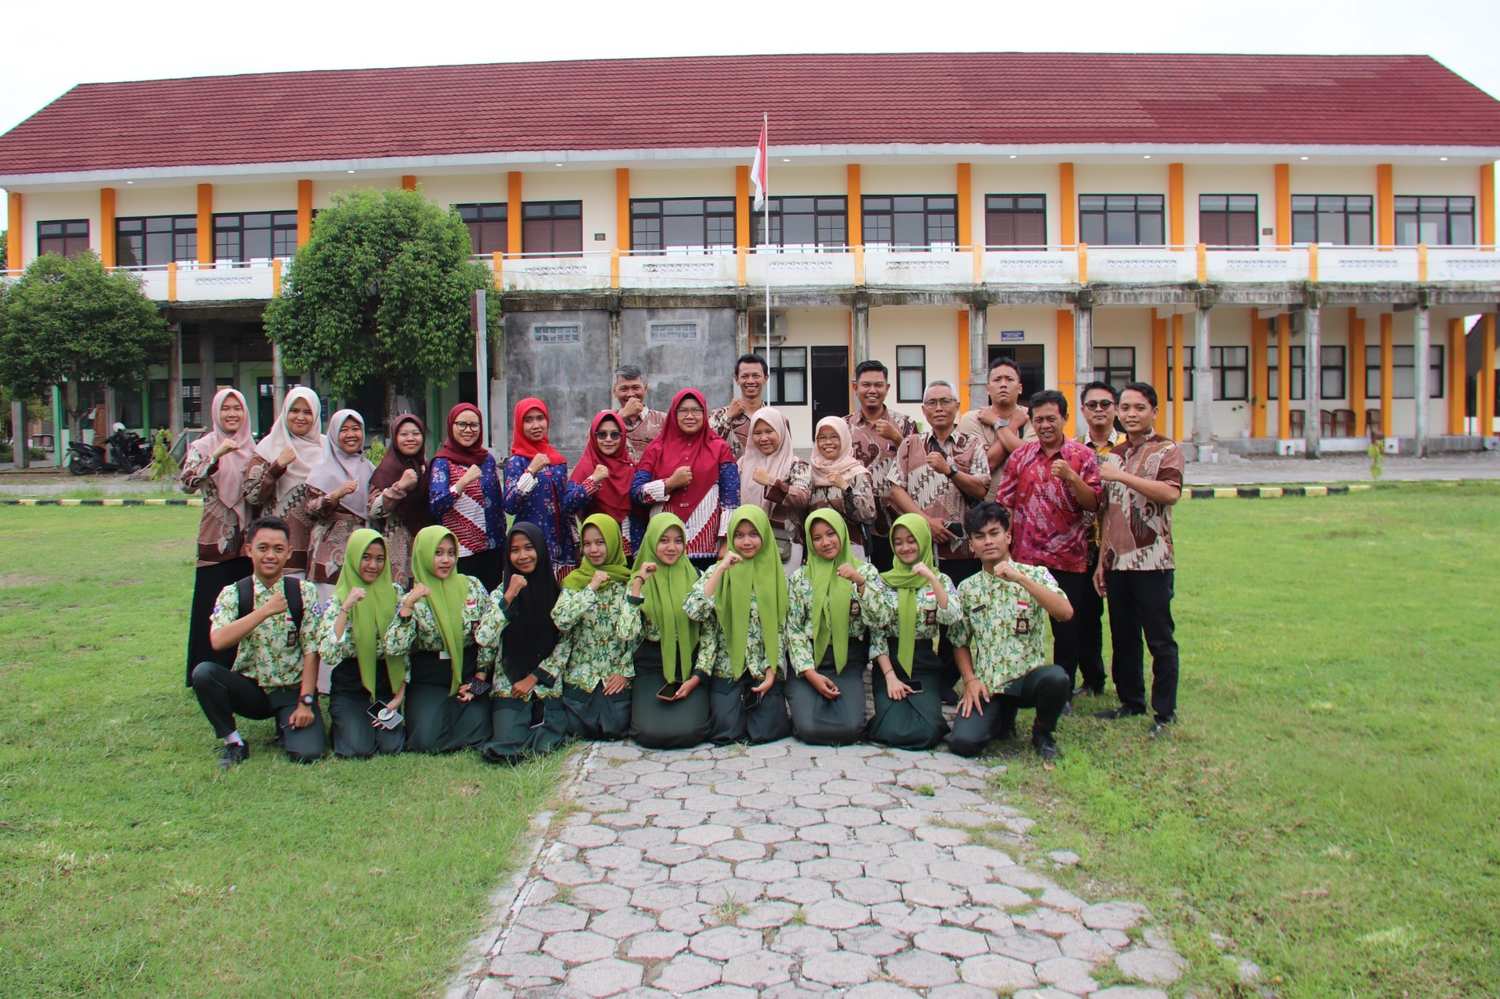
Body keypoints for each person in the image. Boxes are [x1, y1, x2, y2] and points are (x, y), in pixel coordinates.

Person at [190, 516, 326, 768]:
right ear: (248, 550)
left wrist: (306, 702)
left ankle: (286, 725)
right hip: (250, 689)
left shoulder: (303, 591)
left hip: (290, 690)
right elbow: (218, 641)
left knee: (308, 754)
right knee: (204, 673)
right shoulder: (233, 592)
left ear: (288, 553)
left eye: (278, 549)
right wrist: (263, 611)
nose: (270, 556)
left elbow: (311, 649)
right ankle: (234, 742)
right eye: (263, 548)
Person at [995, 389, 1102, 702]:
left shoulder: (1082, 457)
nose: (1044, 425)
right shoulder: (1021, 456)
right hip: (1026, 558)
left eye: (1051, 419)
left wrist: (1071, 477)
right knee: (1020, 623)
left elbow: (1093, 503)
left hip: (1068, 558)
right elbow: (1005, 503)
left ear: (1065, 419)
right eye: (1038, 419)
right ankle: (1016, 685)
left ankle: (1063, 691)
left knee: (1067, 628)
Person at [949, 503, 1074, 761]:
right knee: (963, 743)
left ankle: (1042, 733)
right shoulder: (968, 589)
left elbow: (1065, 613)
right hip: (990, 684)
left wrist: (1021, 580)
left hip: (1028, 678)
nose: (988, 542)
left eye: (994, 533)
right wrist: (970, 680)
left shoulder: (1035, 575)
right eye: (980, 536)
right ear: (971, 545)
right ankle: (1002, 720)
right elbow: (959, 641)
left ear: (1008, 536)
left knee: (1057, 678)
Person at [1093, 382, 1184, 736]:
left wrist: (1122, 476)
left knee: (1159, 637)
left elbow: (1170, 493)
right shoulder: (1113, 453)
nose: (1131, 414)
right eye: (1125, 408)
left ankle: (1164, 711)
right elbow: (1109, 512)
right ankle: (1130, 701)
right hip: (1118, 563)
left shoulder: (1166, 450)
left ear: (1154, 412)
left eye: (1139, 408)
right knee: (1123, 635)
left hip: (1153, 561)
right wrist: (1102, 560)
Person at [684, 506, 792, 744]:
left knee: (766, 732)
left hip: (762, 668)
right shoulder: (718, 572)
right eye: (739, 535)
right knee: (726, 733)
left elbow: (781, 628)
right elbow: (694, 611)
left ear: (765, 535)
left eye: (753, 534)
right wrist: (721, 569)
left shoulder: (776, 576)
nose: (746, 541)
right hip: (727, 669)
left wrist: (772, 669)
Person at [385, 525, 493, 753]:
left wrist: (479, 681)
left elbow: (488, 637)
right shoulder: (413, 596)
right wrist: (407, 608)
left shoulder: (472, 586)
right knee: (424, 741)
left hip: (468, 673)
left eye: (451, 553)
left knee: (481, 729)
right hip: (430, 678)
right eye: (438, 553)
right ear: (423, 554)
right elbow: (395, 647)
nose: (446, 560)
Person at [785, 509, 889, 745]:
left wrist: (860, 584)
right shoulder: (800, 578)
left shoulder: (865, 572)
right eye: (817, 538)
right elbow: (794, 630)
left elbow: (880, 619)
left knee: (851, 729)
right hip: (809, 663)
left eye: (830, 534)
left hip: (846, 662)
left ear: (842, 533)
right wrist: (810, 674)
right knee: (808, 729)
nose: (825, 542)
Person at [476, 523, 570, 765]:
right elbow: (484, 638)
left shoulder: (557, 592)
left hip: (545, 681)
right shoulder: (500, 594)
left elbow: (565, 644)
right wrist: (509, 596)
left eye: (529, 548)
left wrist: (534, 678)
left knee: (546, 741)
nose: (523, 556)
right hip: (509, 679)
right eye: (515, 550)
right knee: (507, 743)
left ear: (540, 549)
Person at [180, 387, 256, 684]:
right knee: (210, 605)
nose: (232, 414)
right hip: (214, 537)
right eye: (226, 409)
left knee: (243, 603)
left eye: (237, 408)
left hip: (246, 542)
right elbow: (187, 482)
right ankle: (201, 671)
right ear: (216, 412)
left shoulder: (253, 449)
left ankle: (239, 669)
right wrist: (216, 455)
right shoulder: (203, 446)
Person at [866, 514, 961, 749]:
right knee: (892, 729)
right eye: (898, 542)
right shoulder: (882, 581)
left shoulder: (941, 580)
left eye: (911, 540)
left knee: (927, 732)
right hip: (890, 661)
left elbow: (951, 616)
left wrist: (931, 578)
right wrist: (890, 677)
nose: (905, 547)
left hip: (923, 663)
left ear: (923, 540)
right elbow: (876, 631)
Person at [887, 380, 990, 585]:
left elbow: (981, 490)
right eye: (932, 403)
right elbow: (895, 489)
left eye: (945, 401)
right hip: (917, 547)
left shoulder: (972, 444)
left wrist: (950, 471)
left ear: (957, 406)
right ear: (924, 410)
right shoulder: (910, 444)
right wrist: (925, 521)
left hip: (961, 549)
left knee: (958, 606)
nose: (939, 408)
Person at [622, 513, 711, 749]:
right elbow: (627, 633)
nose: (671, 547)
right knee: (647, 733)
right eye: (663, 540)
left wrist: (697, 676)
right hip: (651, 665)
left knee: (692, 730)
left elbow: (709, 635)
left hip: (689, 665)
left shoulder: (696, 578)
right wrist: (639, 583)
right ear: (651, 541)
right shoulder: (638, 581)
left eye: (678, 540)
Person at [317, 529, 407, 758]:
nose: (373, 565)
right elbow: (328, 654)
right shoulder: (339, 598)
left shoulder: (394, 593)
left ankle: (373, 718)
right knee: (358, 749)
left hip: (384, 682)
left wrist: (399, 696)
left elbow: (404, 648)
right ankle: (346, 722)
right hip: (350, 684)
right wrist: (346, 609)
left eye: (379, 559)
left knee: (391, 747)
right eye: (365, 557)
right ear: (353, 557)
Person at [632, 388, 741, 571]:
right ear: (674, 414)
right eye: (683, 411)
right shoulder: (656, 449)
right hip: (663, 545)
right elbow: (637, 493)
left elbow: (730, 500)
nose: (690, 416)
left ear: (704, 413)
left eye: (696, 410)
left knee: (702, 597)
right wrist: (669, 484)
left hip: (705, 546)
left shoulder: (719, 448)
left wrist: (725, 540)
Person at [553, 514, 637, 739]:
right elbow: (561, 620)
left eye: (600, 542)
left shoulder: (627, 582)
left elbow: (635, 634)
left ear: (613, 542)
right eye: (587, 544)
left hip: (614, 675)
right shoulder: (574, 581)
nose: (594, 550)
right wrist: (590, 588)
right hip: (582, 675)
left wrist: (625, 673)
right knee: (578, 727)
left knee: (616, 725)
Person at [243, 386, 324, 576]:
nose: (300, 417)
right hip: (276, 550)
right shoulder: (269, 447)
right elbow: (252, 496)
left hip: (317, 548)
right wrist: (277, 466)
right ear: (285, 412)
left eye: (307, 412)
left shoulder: (326, 449)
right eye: (294, 411)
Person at [1075, 382, 1123, 697]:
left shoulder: (1127, 449)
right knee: (1085, 618)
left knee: (1123, 619)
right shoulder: (1073, 449)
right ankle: (1093, 680)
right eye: (1092, 405)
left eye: (1105, 404)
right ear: (1083, 411)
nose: (1099, 410)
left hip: (1121, 546)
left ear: (1115, 408)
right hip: (1083, 545)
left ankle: (1127, 685)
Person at [846, 360, 918, 571]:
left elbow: (919, 464)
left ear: (887, 388)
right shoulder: (843, 426)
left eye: (878, 385)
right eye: (866, 385)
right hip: (856, 521)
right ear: (855, 387)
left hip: (896, 520)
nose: (872, 390)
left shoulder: (904, 424)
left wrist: (897, 439)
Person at [503, 396, 586, 580]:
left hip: (562, 543)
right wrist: (531, 471)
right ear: (519, 424)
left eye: (540, 418)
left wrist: (576, 541)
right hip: (532, 544)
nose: (536, 425)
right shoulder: (516, 462)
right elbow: (510, 505)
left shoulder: (557, 461)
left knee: (561, 597)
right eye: (528, 420)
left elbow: (565, 506)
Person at [428, 403, 505, 591]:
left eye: (474, 425)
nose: (468, 430)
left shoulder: (487, 460)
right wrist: (462, 483)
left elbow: (497, 506)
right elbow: (436, 506)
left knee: (490, 601)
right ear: (451, 426)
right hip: (460, 551)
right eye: (462, 424)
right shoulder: (442, 462)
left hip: (491, 549)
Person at [304, 409, 375, 600]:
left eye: (356, 429)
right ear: (334, 434)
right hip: (328, 554)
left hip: (361, 551)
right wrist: (335, 495)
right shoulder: (322, 468)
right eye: (344, 430)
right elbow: (310, 510)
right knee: (330, 608)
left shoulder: (368, 467)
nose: (351, 434)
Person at [737, 406, 811, 567]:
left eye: (769, 431)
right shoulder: (743, 464)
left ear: (782, 432)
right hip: (747, 542)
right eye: (757, 433)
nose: (763, 438)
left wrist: (771, 482)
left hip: (784, 544)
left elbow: (802, 499)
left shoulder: (797, 465)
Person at [368, 413, 430, 588]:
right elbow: (373, 510)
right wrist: (399, 487)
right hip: (396, 544)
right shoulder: (386, 469)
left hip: (422, 543)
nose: (410, 438)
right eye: (403, 434)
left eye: (416, 433)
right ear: (395, 438)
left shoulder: (427, 466)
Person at [958, 357, 1035, 497]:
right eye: (997, 379)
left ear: (1020, 388)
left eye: (1009, 379)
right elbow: (987, 465)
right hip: (985, 508)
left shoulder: (1032, 418)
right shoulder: (972, 419)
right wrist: (1012, 425)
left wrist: (996, 423)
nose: (1003, 384)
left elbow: (1031, 460)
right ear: (988, 389)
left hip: (1025, 506)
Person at [570, 410, 641, 555]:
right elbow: (567, 505)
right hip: (598, 549)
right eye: (602, 434)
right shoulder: (586, 468)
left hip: (629, 546)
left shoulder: (631, 467)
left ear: (623, 437)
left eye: (615, 435)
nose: (608, 439)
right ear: (593, 437)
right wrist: (592, 481)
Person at [806, 417, 878, 555]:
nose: (828, 442)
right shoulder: (810, 472)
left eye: (834, 437)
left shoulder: (857, 473)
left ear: (844, 439)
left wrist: (846, 487)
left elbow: (869, 513)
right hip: (818, 548)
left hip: (851, 546)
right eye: (822, 438)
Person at [709, 353, 770, 459]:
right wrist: (728, 417)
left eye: (756, 376)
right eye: (745, 376)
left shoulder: (774, 418)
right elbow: (707, 444)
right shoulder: (719, 415)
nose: (750, 381)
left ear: (765, 378)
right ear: (737, 379)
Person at [612, 364, 667, 462]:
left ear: (645, 389)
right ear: (615, 391)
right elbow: (593, 447)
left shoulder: (663, 420)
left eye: (635, 388)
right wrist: (621, 416)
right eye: (624, 389)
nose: (630, 394)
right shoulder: (605, 420)